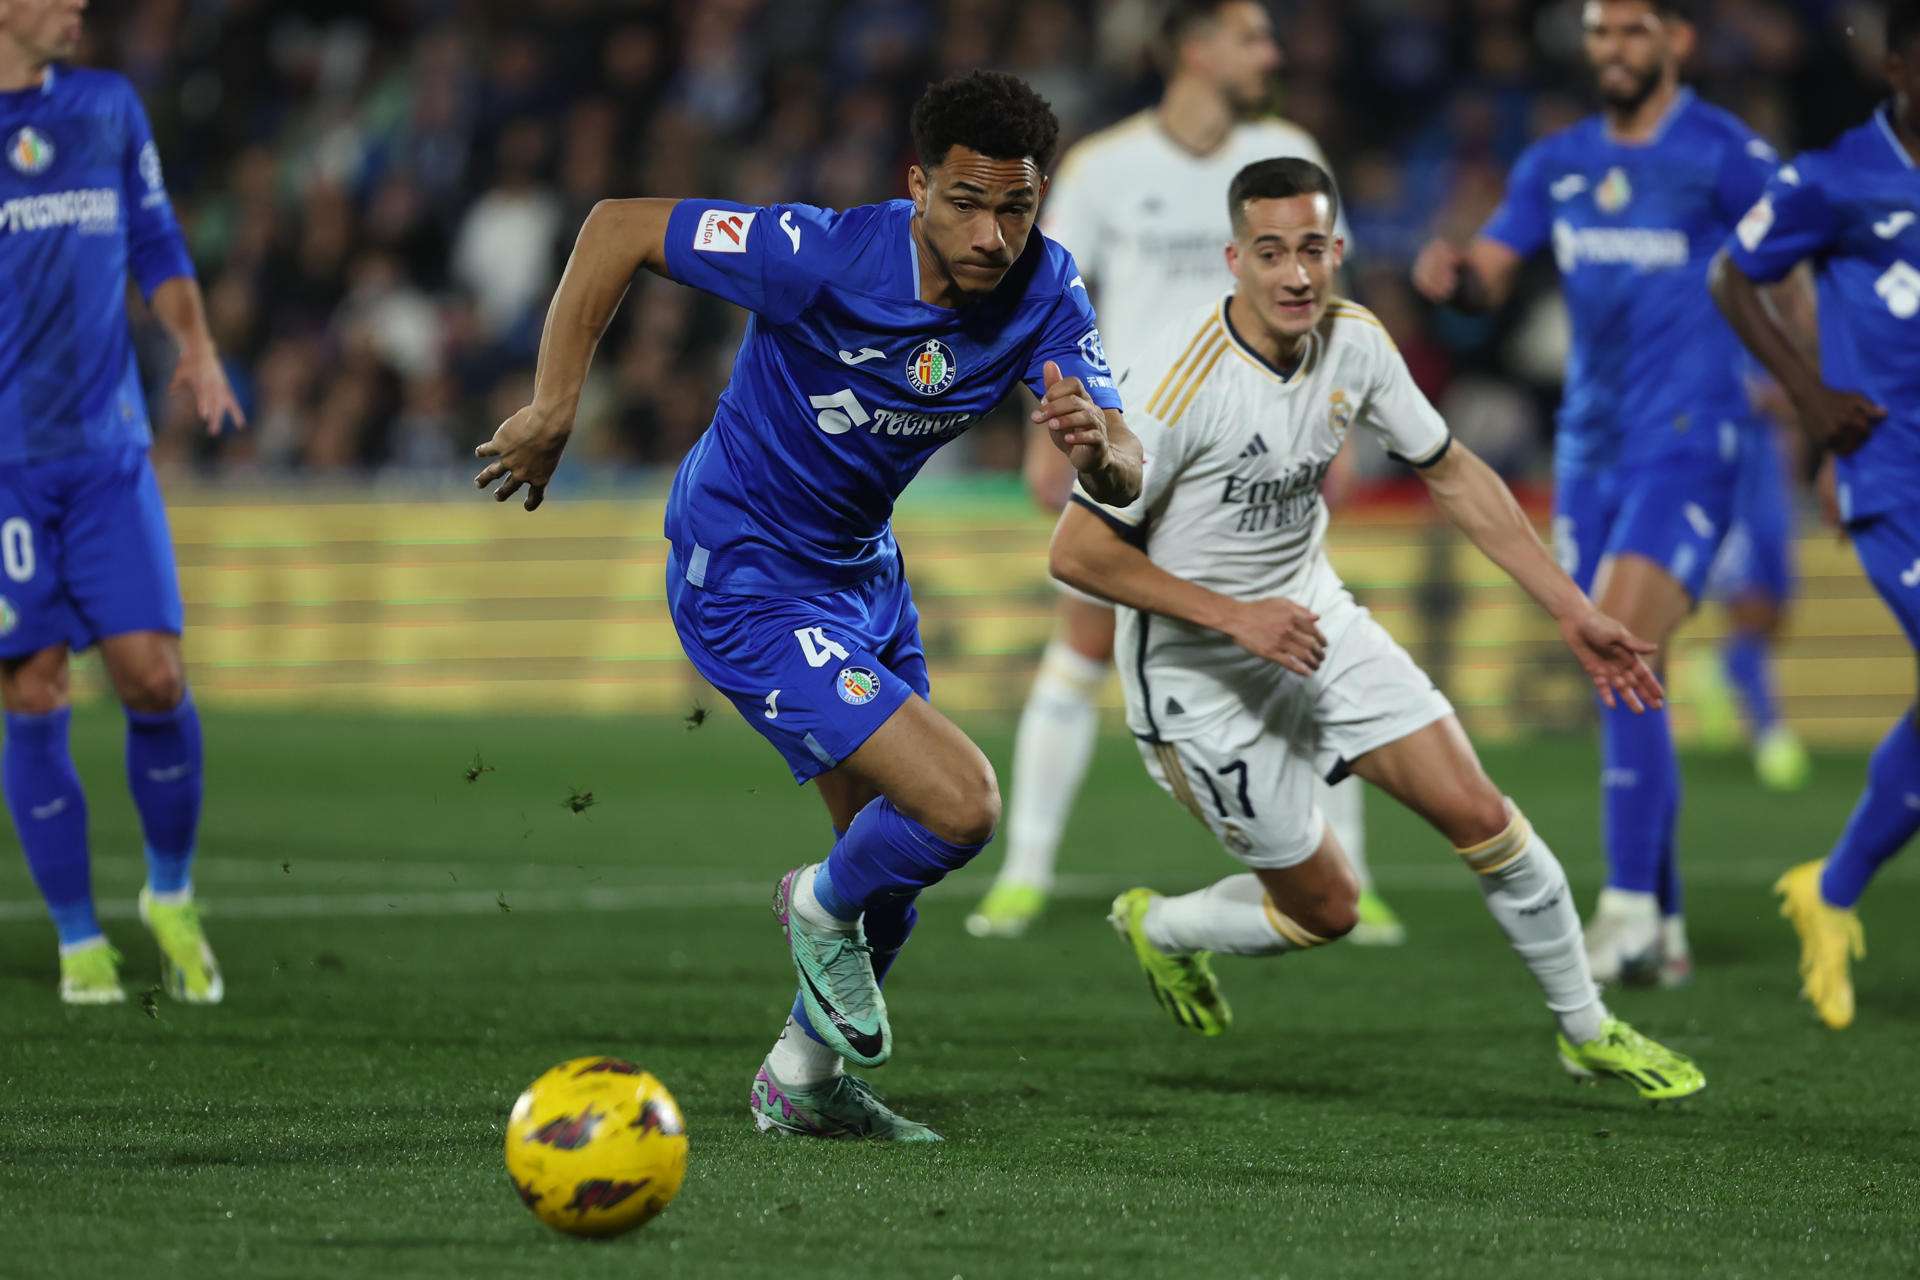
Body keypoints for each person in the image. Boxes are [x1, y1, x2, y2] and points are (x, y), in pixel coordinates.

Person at [474, 71, 1142, 1140]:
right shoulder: (818, 251)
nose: (992, 234)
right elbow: (616, 227)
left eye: (1015, 207)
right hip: (742, 570)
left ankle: (802, 1080)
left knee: (895, 865)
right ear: (917, 186)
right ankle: (814, 903)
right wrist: (557, 404)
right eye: (967, 202)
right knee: (961, 805)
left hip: (860, 574)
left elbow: (1123, 461)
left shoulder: (1045, 290)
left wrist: (1098, 450)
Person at [1057, 157, 1703, 1100]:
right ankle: (1162, 929)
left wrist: (1576, 609)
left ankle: (1588, 1030)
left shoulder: (1356, 342)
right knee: (1328, 909)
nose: (1295, 275)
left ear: (1339, 252)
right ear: (1234, 259)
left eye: (1312, 249)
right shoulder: (1173, 381)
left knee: (1482, 814)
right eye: (1271, 252)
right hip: (1196, 672)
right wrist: (1237, 619)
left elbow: (1451, 472)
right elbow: (1077, 555)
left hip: (1313, 616)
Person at [970, 0, 1402, 947]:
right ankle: (1026, 873)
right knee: (1082, 642)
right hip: (1138, 448)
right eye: (1253, 36)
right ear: (1196, 49)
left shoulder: (1290, 150)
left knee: (1304, 644)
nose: (1273, 53)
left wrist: (1345, 418)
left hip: (1264, 446)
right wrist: (1054, 427)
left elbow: (1325, 296)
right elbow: (1045, 296)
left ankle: (1354, 880)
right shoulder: (1104, 169)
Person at [1413, 0, 1782, 987]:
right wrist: (1454, 281)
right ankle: (1660, 926)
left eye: (1632, 32)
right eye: (1600, 35)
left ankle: (1624, 909)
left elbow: (1796, 268)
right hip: (1588, 451)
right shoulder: (1558, 160)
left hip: (1691, 441)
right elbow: (1491, 271)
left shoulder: (1727, 153)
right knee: (1627, 669)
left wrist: (1813, 399)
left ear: (1678, 42)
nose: (1612, 51)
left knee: (1619, 639)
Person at [0, 0, 241, 1004]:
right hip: (7, 466)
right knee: (36, 685)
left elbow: (155, 236)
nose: (78, 8)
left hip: (108, 453)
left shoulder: (106, 106)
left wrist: (196, 342)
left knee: (153, 676)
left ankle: (170, 894)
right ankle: (74, 935)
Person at [1709, 0, 1920, 1030]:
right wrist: (1809, 396)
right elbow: (1733, 276)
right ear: (1896, 66)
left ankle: (1828, 889)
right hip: (1890, 470)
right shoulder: (1836, 177)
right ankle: (1829, 884)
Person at [1693, 408, 1811, 792]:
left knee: (1778, 616)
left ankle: (1722, 670)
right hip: (1730, 473)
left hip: (1774, 484)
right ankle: (1770, 734)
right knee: (1750, 607)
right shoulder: (1719, 348)